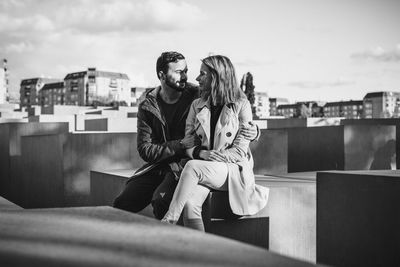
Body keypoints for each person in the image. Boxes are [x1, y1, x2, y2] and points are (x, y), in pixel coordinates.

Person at [113, 52, 259, 219]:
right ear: (162, 75)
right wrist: (181, 144)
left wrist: (254, 131)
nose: (186, 77)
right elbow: (145, 149)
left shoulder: (196, 94)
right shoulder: (148, 106)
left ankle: (168, 240)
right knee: (122, 203)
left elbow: (228, 105)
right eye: (178, 72)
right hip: (159, 164)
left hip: (184, 164)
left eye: (186, 71)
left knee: (161, 201)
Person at [161, 55, 269, 231]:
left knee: (193, 167)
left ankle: (168, 222)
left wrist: (210, 158)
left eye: (203, 74)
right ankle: (199, 252)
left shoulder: (241, 105)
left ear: (217, 77)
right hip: (206, 168)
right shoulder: (197, 105)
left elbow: (239, 152)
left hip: (232, 170)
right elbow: (188, 143)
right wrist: (202, 154)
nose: (197, 78)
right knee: (190, 205)